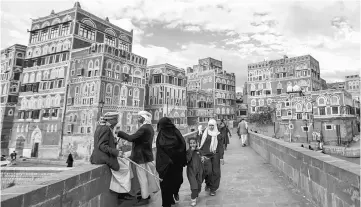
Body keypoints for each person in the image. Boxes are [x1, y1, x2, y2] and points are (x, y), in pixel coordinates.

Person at [117, 111, 156, 206]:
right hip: (145, 155)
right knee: (145, 176)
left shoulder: (144, 128)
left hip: (140, 156)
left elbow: (131, 138)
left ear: (144, 118)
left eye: (139, 117)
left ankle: (145, 197)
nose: (138, 119)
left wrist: (120, 133)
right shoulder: (149, 127)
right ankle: (146, 194)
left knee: (142, 177)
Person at [156, 117, 187, 207]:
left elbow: (183, 144)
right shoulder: (161, 135)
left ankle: (175, 192)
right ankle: (167, 203)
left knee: (178, 181)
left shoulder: (175, 132)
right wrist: (167, 160)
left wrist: (178, 156)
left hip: (176, 164)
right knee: (165, 185)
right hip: (165, 165)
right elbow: (160, 150)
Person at [200, 119, 224, 196]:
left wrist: (221, 157)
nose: (211, 127)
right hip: (206, 155)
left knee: (216, 172)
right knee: (208, 171)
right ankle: (208, 183)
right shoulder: (204, 133)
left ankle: (213, 189)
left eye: (212, 125)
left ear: (215, 125)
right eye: (209, 125)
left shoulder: (218, 134)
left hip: (215, 155)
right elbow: (200, 143)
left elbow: (220, 146)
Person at [186, 137, 203, 207]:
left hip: (199, 171)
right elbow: (187, 160)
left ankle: (196, 193)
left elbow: (201, 159)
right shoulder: (188, 152)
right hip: (191, 171)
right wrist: (191, 152)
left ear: (196, 143)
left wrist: (202, 159)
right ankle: (193, 199)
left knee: (199, 185)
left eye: (194, 143)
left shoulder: (199, 151)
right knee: (194, 186)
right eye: (191, 143)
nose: (192, 145)